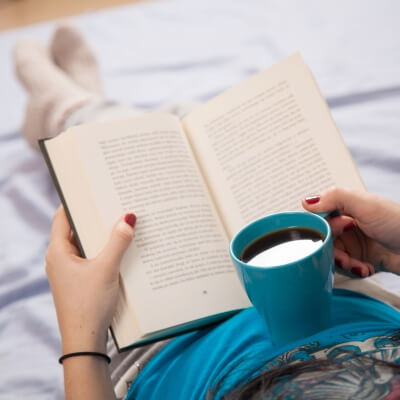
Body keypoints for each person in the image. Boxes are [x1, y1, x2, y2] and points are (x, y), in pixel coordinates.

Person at [14, 25, 400, 400]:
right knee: (217, 145)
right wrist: (393, 250)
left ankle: (68, 107)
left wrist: (80, 333)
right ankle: (87, 108)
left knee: (139, 162)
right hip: (328, 286)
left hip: (172, 342)